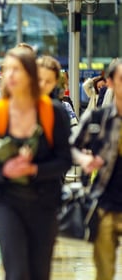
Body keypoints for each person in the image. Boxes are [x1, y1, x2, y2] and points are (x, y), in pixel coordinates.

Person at [0, 47, 72, 280]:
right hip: (5, 201)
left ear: (30, 74)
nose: (9, 75)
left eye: (16, 69)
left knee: (39, 273)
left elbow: (64, 160)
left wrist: (34, 169)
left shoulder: (53, 112)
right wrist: (4, 170)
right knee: (16, 272)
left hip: (45, 204)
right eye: (6, 69)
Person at [70, 59, 122, 280]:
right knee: (104, 271)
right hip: (105, 204)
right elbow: (71, 145)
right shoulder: (98, 119)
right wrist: (83, 158)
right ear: (110, 82)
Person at [37, 56, 78, 127]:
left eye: (48, 81)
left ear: (55, 83)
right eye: (39, 79)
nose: (42, 85)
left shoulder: (60, 110)